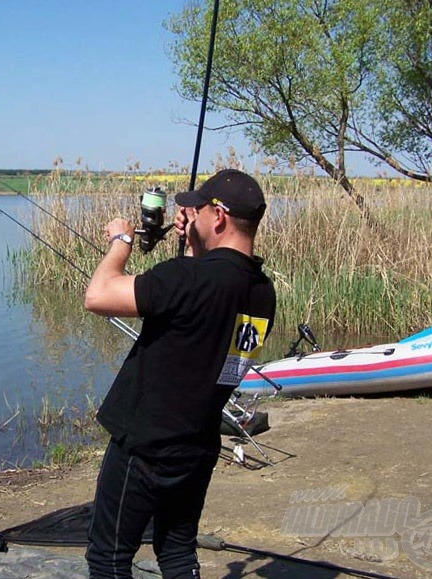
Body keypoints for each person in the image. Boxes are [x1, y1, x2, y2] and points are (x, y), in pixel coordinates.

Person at [83, 169, 276, 578]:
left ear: (219, 216)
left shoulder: (186, 279)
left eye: (200, 208)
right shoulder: (262, 292)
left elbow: (98, 295)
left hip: (144, 447)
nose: (192, 214)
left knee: (109, 558)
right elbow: (205, 316)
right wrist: (193, 245)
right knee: (177, 552)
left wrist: (121, 242)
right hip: (198, 443)